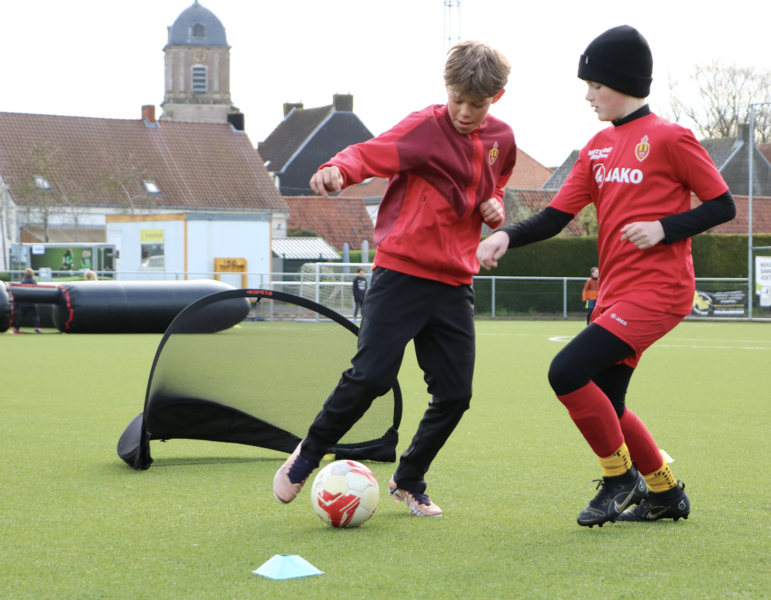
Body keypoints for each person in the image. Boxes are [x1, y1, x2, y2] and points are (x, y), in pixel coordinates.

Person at [478, 25, 735, 527]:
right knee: (608, 401)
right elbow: (555, 216)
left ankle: (620, 478)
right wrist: (507, 235)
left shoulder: (671, 137)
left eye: (594, 85)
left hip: (660, 294)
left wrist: (664, 228)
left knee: (566, 372)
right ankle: (664, 492)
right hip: (615, 295)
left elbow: (722, 205)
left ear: (621, 82)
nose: (588, 95)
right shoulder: (595, 147)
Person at [273, 40, 517, 517]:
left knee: (455, 395)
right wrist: (337, 170)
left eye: (478, 104)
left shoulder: (503, 140)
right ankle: (309, 452)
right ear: (446, 88)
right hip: (400, 273)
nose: (465, 112)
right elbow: (369, 153)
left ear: (497, 98)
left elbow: (497, 186)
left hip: (453, 284)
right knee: (371, 377)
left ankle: (408, 480)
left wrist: (496, 207)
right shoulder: (424, 128)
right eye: (458, 99)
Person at [11, 268, 42, 334]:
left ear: (25, 276)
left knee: (22, 316)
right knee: (35, 316)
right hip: (33, 303)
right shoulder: (34, 282)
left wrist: (17, 303)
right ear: (33, 276)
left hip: (24, 303)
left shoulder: (23, 283)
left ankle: (16, 328)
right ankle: (37, 327)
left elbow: (20, 292)